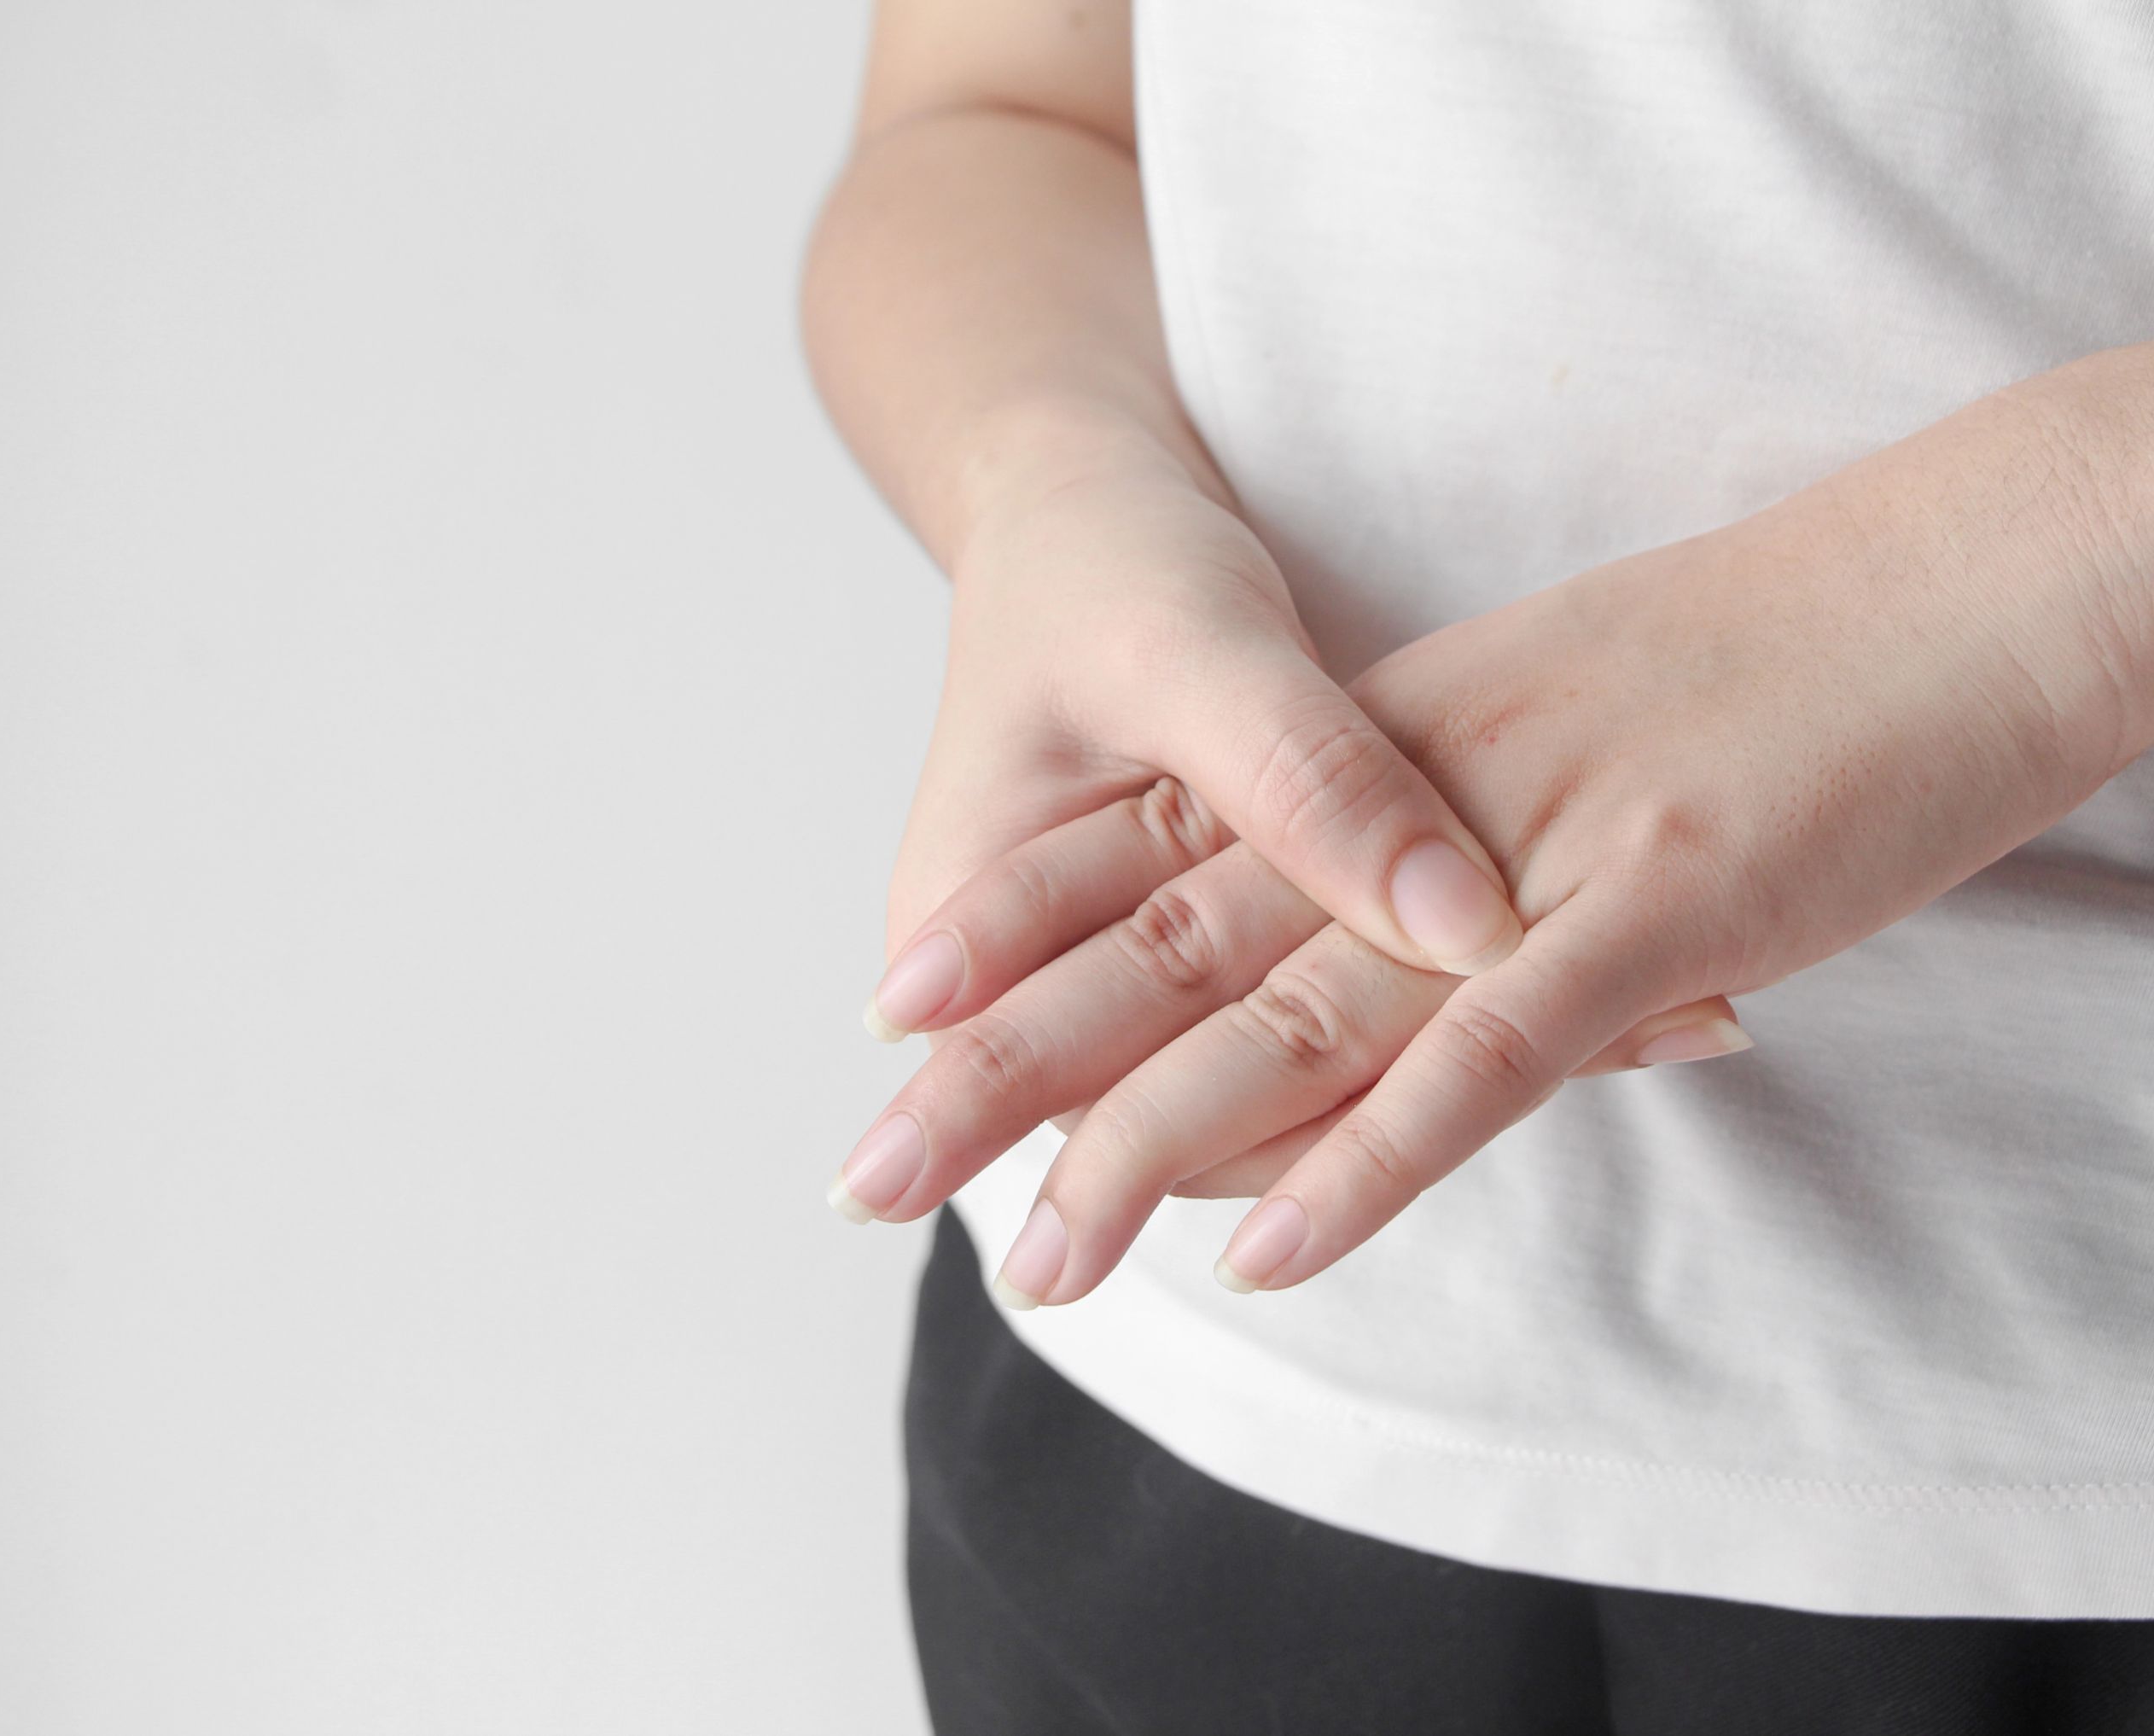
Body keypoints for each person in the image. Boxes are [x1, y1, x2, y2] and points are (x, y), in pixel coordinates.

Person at [800, 2, 2154, 1729]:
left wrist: (2046, 572)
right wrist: (1051, 481)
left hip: (2074, 1466)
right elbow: (1002, 109)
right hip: (1196, 1388)